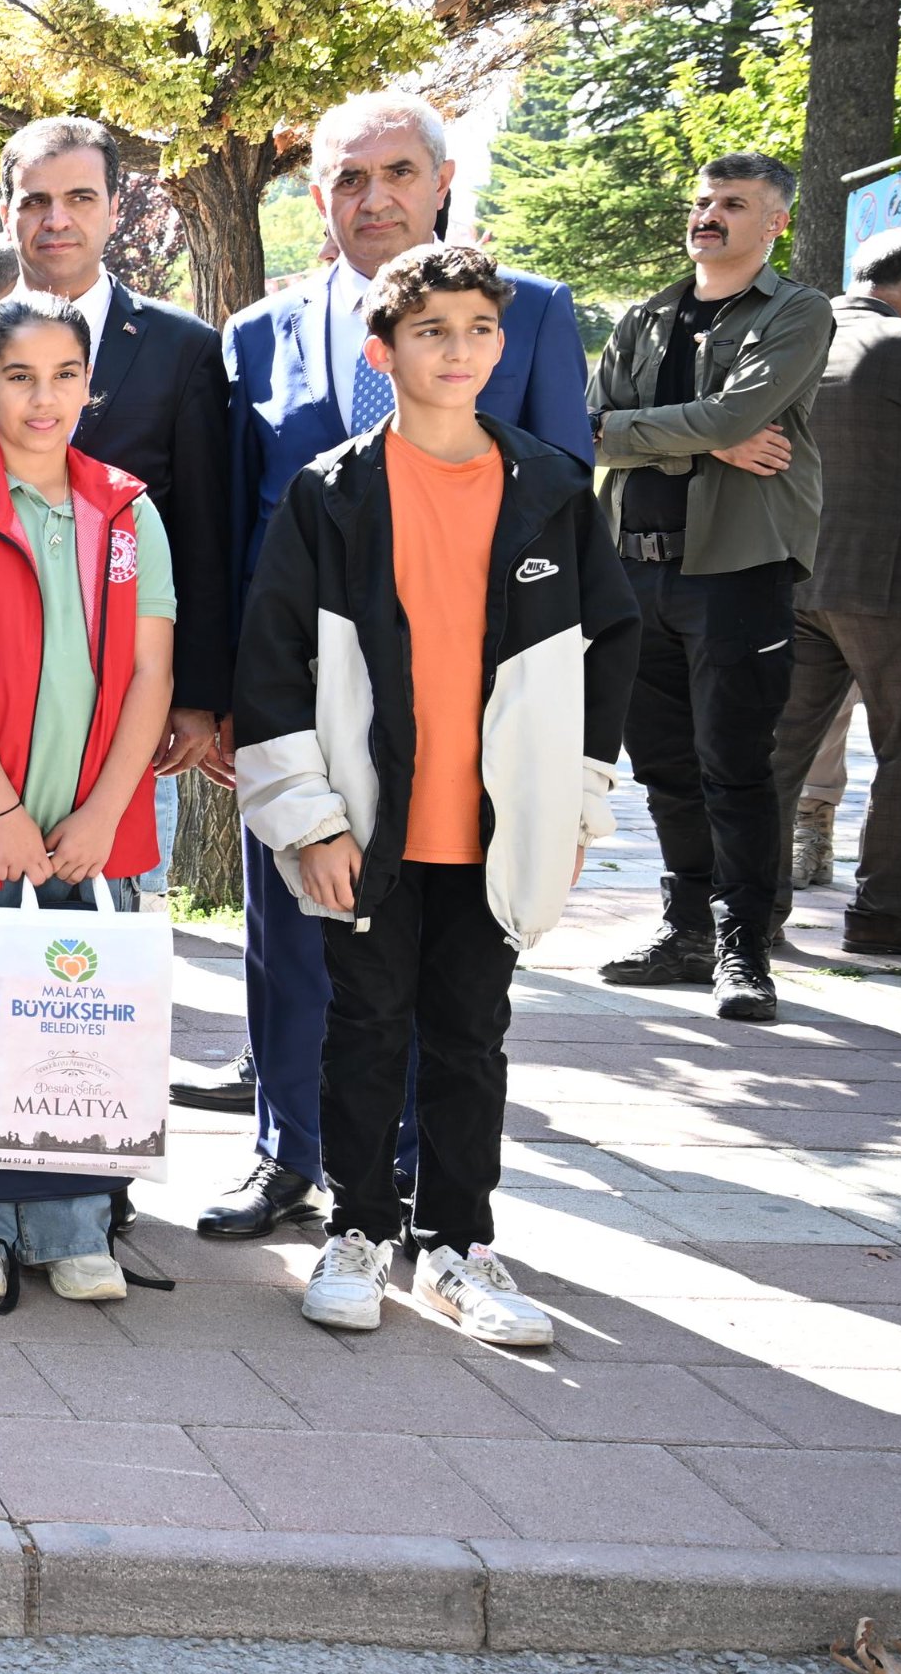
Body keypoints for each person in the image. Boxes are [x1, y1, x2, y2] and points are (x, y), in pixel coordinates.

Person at [206, 88, 604, 1231]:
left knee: (449, 947)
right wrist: (234, 702)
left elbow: (562, 521)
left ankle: (425, 1181)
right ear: (316, 195)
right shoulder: (258, 336)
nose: (371, 198)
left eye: (395, 173)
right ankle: (290, 1154)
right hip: (309, 706)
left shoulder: (525, 315)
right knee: (293, 929)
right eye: (345, 177)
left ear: (439, 182)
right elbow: (244, 529)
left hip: (471, 709)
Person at [237, 242, 637, 1343]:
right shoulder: (332, 494)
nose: (456, 352)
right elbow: (270, 664)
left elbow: (610, 644)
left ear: (501, 346)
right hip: (371, 824)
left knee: (470, 1034)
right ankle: (356, 1234)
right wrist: (307, 819)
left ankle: (458, 1248)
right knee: (365, 1028)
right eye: (429, 333)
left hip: (497, 826)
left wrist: (576, 805)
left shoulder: (552, 490)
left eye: (477, 332)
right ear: (386, 351)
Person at [0, 295, 177, 1303]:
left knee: (76, 1027)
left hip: (92, 828)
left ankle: (70, 1222)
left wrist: (102, 810)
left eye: (63, 375)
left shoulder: (129, 511)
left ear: (88, 384)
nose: (41, 396)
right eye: (18, 377)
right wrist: (3, 810)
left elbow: (150, 674)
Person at [588, 152, 836, 1021]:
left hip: (736, 571)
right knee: (662, 767)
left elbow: (735, 415)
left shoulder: (798, 312)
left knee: (735, 765)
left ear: (774, 223)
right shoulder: (645, 317)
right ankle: (684, 931)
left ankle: (745, 951)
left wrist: (671, 431)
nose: (709, 215)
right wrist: (707, 437)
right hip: (634, 568)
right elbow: (585, 430)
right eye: (701, 201)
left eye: (732, 203)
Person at [0, 118, 232, 768]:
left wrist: (196, 694)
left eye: (80, 197)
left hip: (130, 705)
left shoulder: (182, 349)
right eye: (34, 201)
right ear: (6, 214)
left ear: (114, 208)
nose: (56, 218)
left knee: (119, 871)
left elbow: (202, 527)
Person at [766, 227, 901, 955]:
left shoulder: (799, 338)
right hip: (899, 584)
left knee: (778, 752)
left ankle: (754, 906)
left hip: (790, 574)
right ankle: (882, 913)